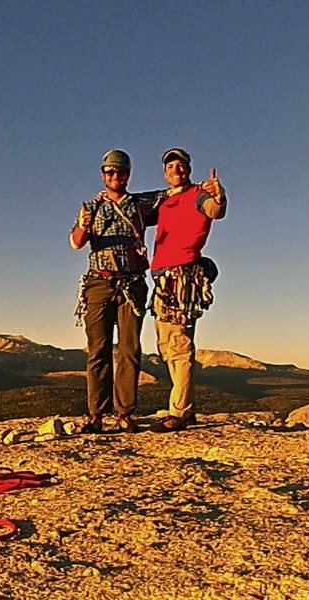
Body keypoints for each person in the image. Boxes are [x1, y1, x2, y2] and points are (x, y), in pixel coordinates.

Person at [70, 149, 162, 434]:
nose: (116, 177)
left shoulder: (142, 204)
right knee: (98, 349)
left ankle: (124, 412)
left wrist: (203, 192)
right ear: (103, 175)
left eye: (120, 172)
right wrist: (85, 224)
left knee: (129, 348)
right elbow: (75, 242)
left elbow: (174, 195)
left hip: (132, 282)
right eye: (110, 172)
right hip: (99, 282)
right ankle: (96, 414)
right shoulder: (92, 207)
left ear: (128, 175)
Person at [149, 148, 227, 432]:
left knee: (179, 345)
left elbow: (216, 211)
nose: (176, 170)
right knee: (166, 347)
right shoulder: (165, 199)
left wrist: (220, 195)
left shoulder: (199, 194)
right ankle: (185, 408)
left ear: (189, 169)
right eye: (171, 166)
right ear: (165, 172)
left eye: (181, 165)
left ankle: (180, 412)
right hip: (162, 279)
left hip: (182, 277)